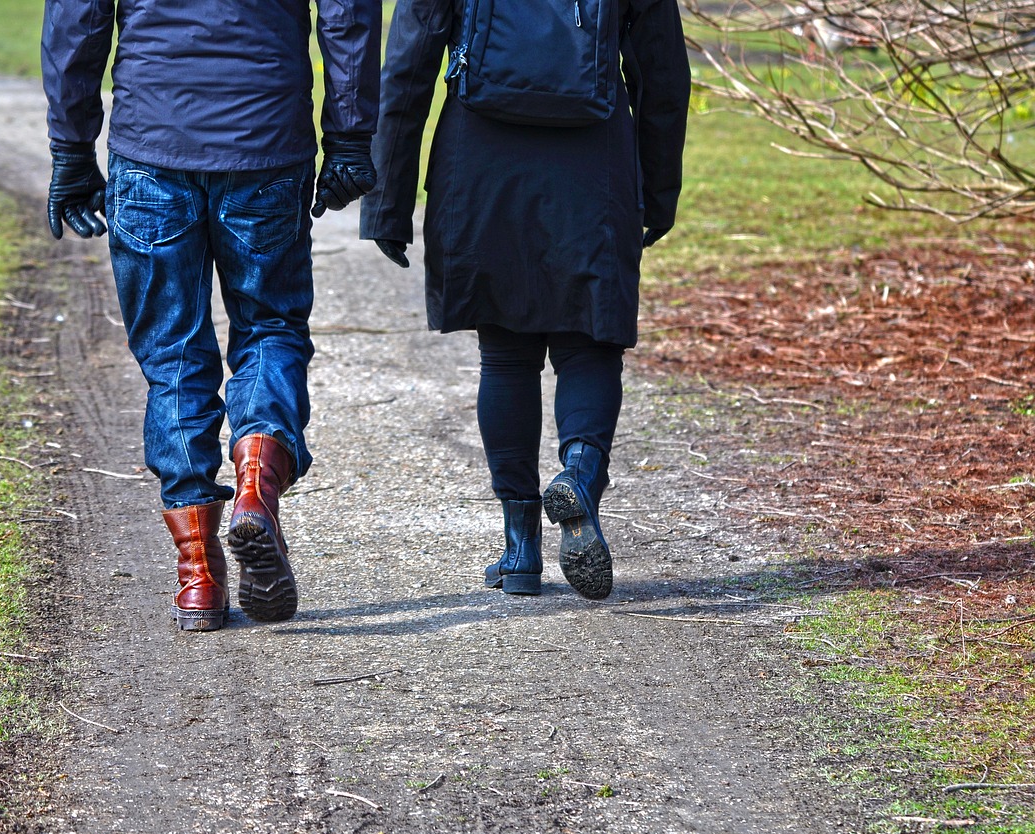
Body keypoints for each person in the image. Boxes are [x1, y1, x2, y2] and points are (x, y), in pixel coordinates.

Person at [42, 0, 381, 630]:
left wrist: (70, 146)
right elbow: (347, 14)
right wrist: (351, 135)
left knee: (173, 354)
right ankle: (256, 485)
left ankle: (199, 576)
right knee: (270, 327)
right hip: (266, 140)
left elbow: (78, 20)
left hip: (152, 143)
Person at [360, 0, 690, 597]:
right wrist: (658, 187)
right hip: (596, 162)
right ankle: (581, 479)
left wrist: (387, 201)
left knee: (506, 355)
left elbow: (408, 61)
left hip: (483, 160)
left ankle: (520, 549)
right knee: (591, 344)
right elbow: (662, 69)